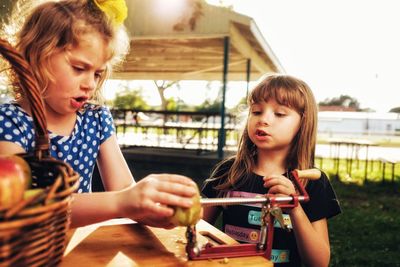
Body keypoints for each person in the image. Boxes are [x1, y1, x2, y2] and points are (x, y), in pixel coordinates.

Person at [0, 0, 198, 229]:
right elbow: (22, 205)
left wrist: (153, 208)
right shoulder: (10, 122)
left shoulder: (96, 119)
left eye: (97, 74)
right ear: (35, 57)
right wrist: (123, 202)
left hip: (85, 245)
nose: (90, 85)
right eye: (79, 68)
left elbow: (123, 188)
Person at [202, 74, 341, 266]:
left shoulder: (312, 182)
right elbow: (196, 229)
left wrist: (295, 208)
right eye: (257, 111)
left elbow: (319, 262)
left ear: (303, 123)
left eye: (280, 114)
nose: (264, 120)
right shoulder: (228, 172)